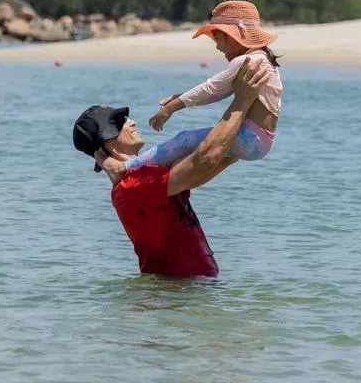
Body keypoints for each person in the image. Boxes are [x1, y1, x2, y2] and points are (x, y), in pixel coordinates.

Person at [73, 57, 271, 278]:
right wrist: (241, 103)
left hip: (185, 292)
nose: (132, 122)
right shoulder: (132, 185)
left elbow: (206, 166)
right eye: (121, 123)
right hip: (175, 293)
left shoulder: (143, 175)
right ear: (109, 142)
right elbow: (203, 160)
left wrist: (241, 142)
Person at [100, 0, 282, 181]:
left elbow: (211, 88)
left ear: (235, 36)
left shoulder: (246, 62)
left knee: (184, 140)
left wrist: (170, 109)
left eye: (218, 39)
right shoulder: (263, 58)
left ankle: (125, 168)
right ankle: (148, 175)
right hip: (262, 139)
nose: (217, 47)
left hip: (249, 137)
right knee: (189, 151)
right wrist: (180, 98)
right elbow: (218, 92)